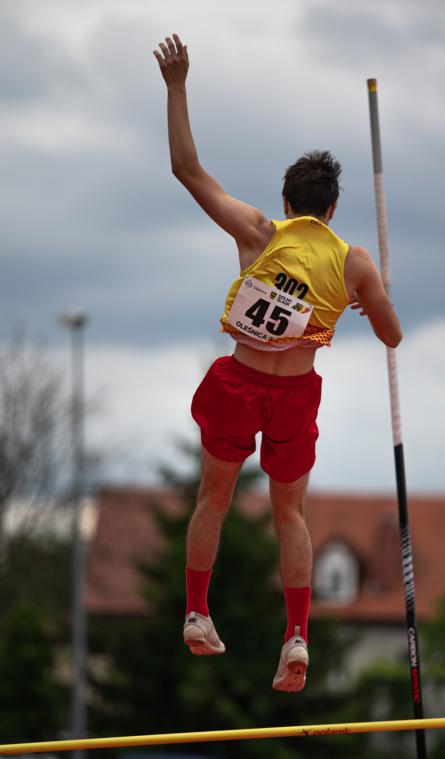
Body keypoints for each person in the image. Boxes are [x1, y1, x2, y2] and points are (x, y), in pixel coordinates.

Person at [154, 33, 402, 693]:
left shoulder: (258, 233)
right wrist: (372, 296)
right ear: (332, 209)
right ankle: (297, 636)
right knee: (291, 513)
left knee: (215, 495)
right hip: (295, 397)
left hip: (239, 381)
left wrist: (177, 87)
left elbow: (187, 170)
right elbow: (393, 336)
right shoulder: (353, 260)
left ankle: (197, 614)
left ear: (288, 203)